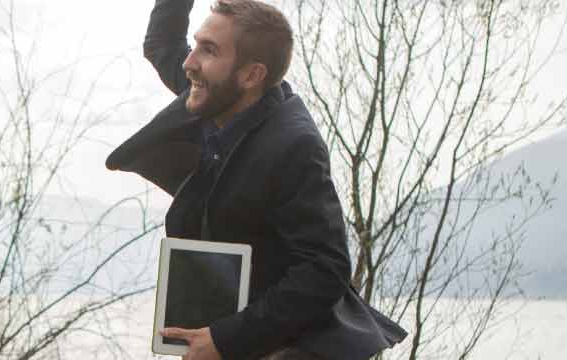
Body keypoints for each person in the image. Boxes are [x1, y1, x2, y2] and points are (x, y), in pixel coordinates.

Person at [105, 0, 408, 359]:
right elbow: (162, 45)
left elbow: (325, 269)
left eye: (208, 50)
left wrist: (224, 339)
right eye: (197, 45)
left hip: (291, 347)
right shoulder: (217, 93)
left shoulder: (295, 145)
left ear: (251, 75)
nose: (189, 63)